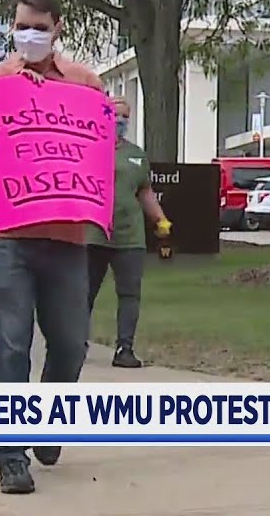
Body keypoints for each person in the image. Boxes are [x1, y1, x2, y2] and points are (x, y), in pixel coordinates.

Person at [0, 0, 104, 494]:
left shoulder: (86, 85)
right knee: (12, 342)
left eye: (40, 28)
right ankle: (10, 454)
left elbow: (96, 154)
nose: (30, 35)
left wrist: (110, 124)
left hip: (67, 234)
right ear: (12, 26)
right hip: (6, 236)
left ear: (57, 28)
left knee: (70, 344)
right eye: (22, 26)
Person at [84, 96, 171, 369]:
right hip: (95, 234)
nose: (120, 121)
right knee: (83, 293)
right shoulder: (89, 148)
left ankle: (125, 349)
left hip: (130, 236)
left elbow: (144, 191)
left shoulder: (137, 155)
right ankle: (74, 344)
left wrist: (160, 219)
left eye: (125, 118)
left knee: (130, 293)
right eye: (115, 115)